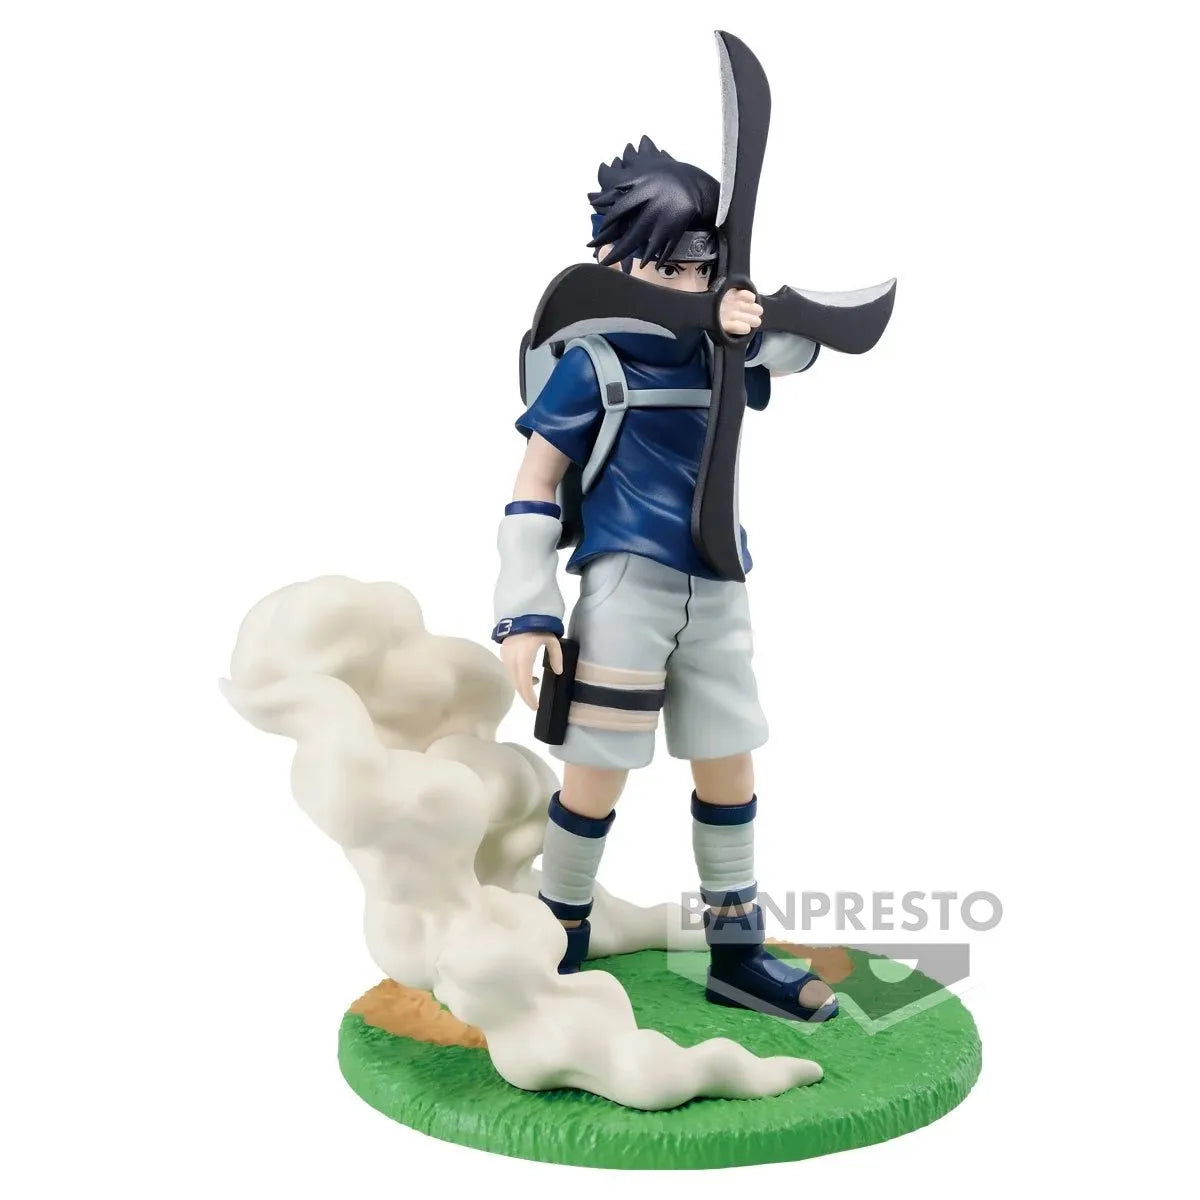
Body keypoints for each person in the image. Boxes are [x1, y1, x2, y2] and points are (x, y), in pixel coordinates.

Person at [492, 137, 836, 1021]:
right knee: (595, 771)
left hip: (718, 585)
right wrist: (528, 612)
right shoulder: (593, 363)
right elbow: (534, 485)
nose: (687, 284)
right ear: (618, 262)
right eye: (666, 267)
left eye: (700, 267)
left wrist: (747, 316)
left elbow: (802, 347)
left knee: (728, 764)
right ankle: (558, 935)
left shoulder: (721, 354)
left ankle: (738, 950)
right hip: (625, 589)